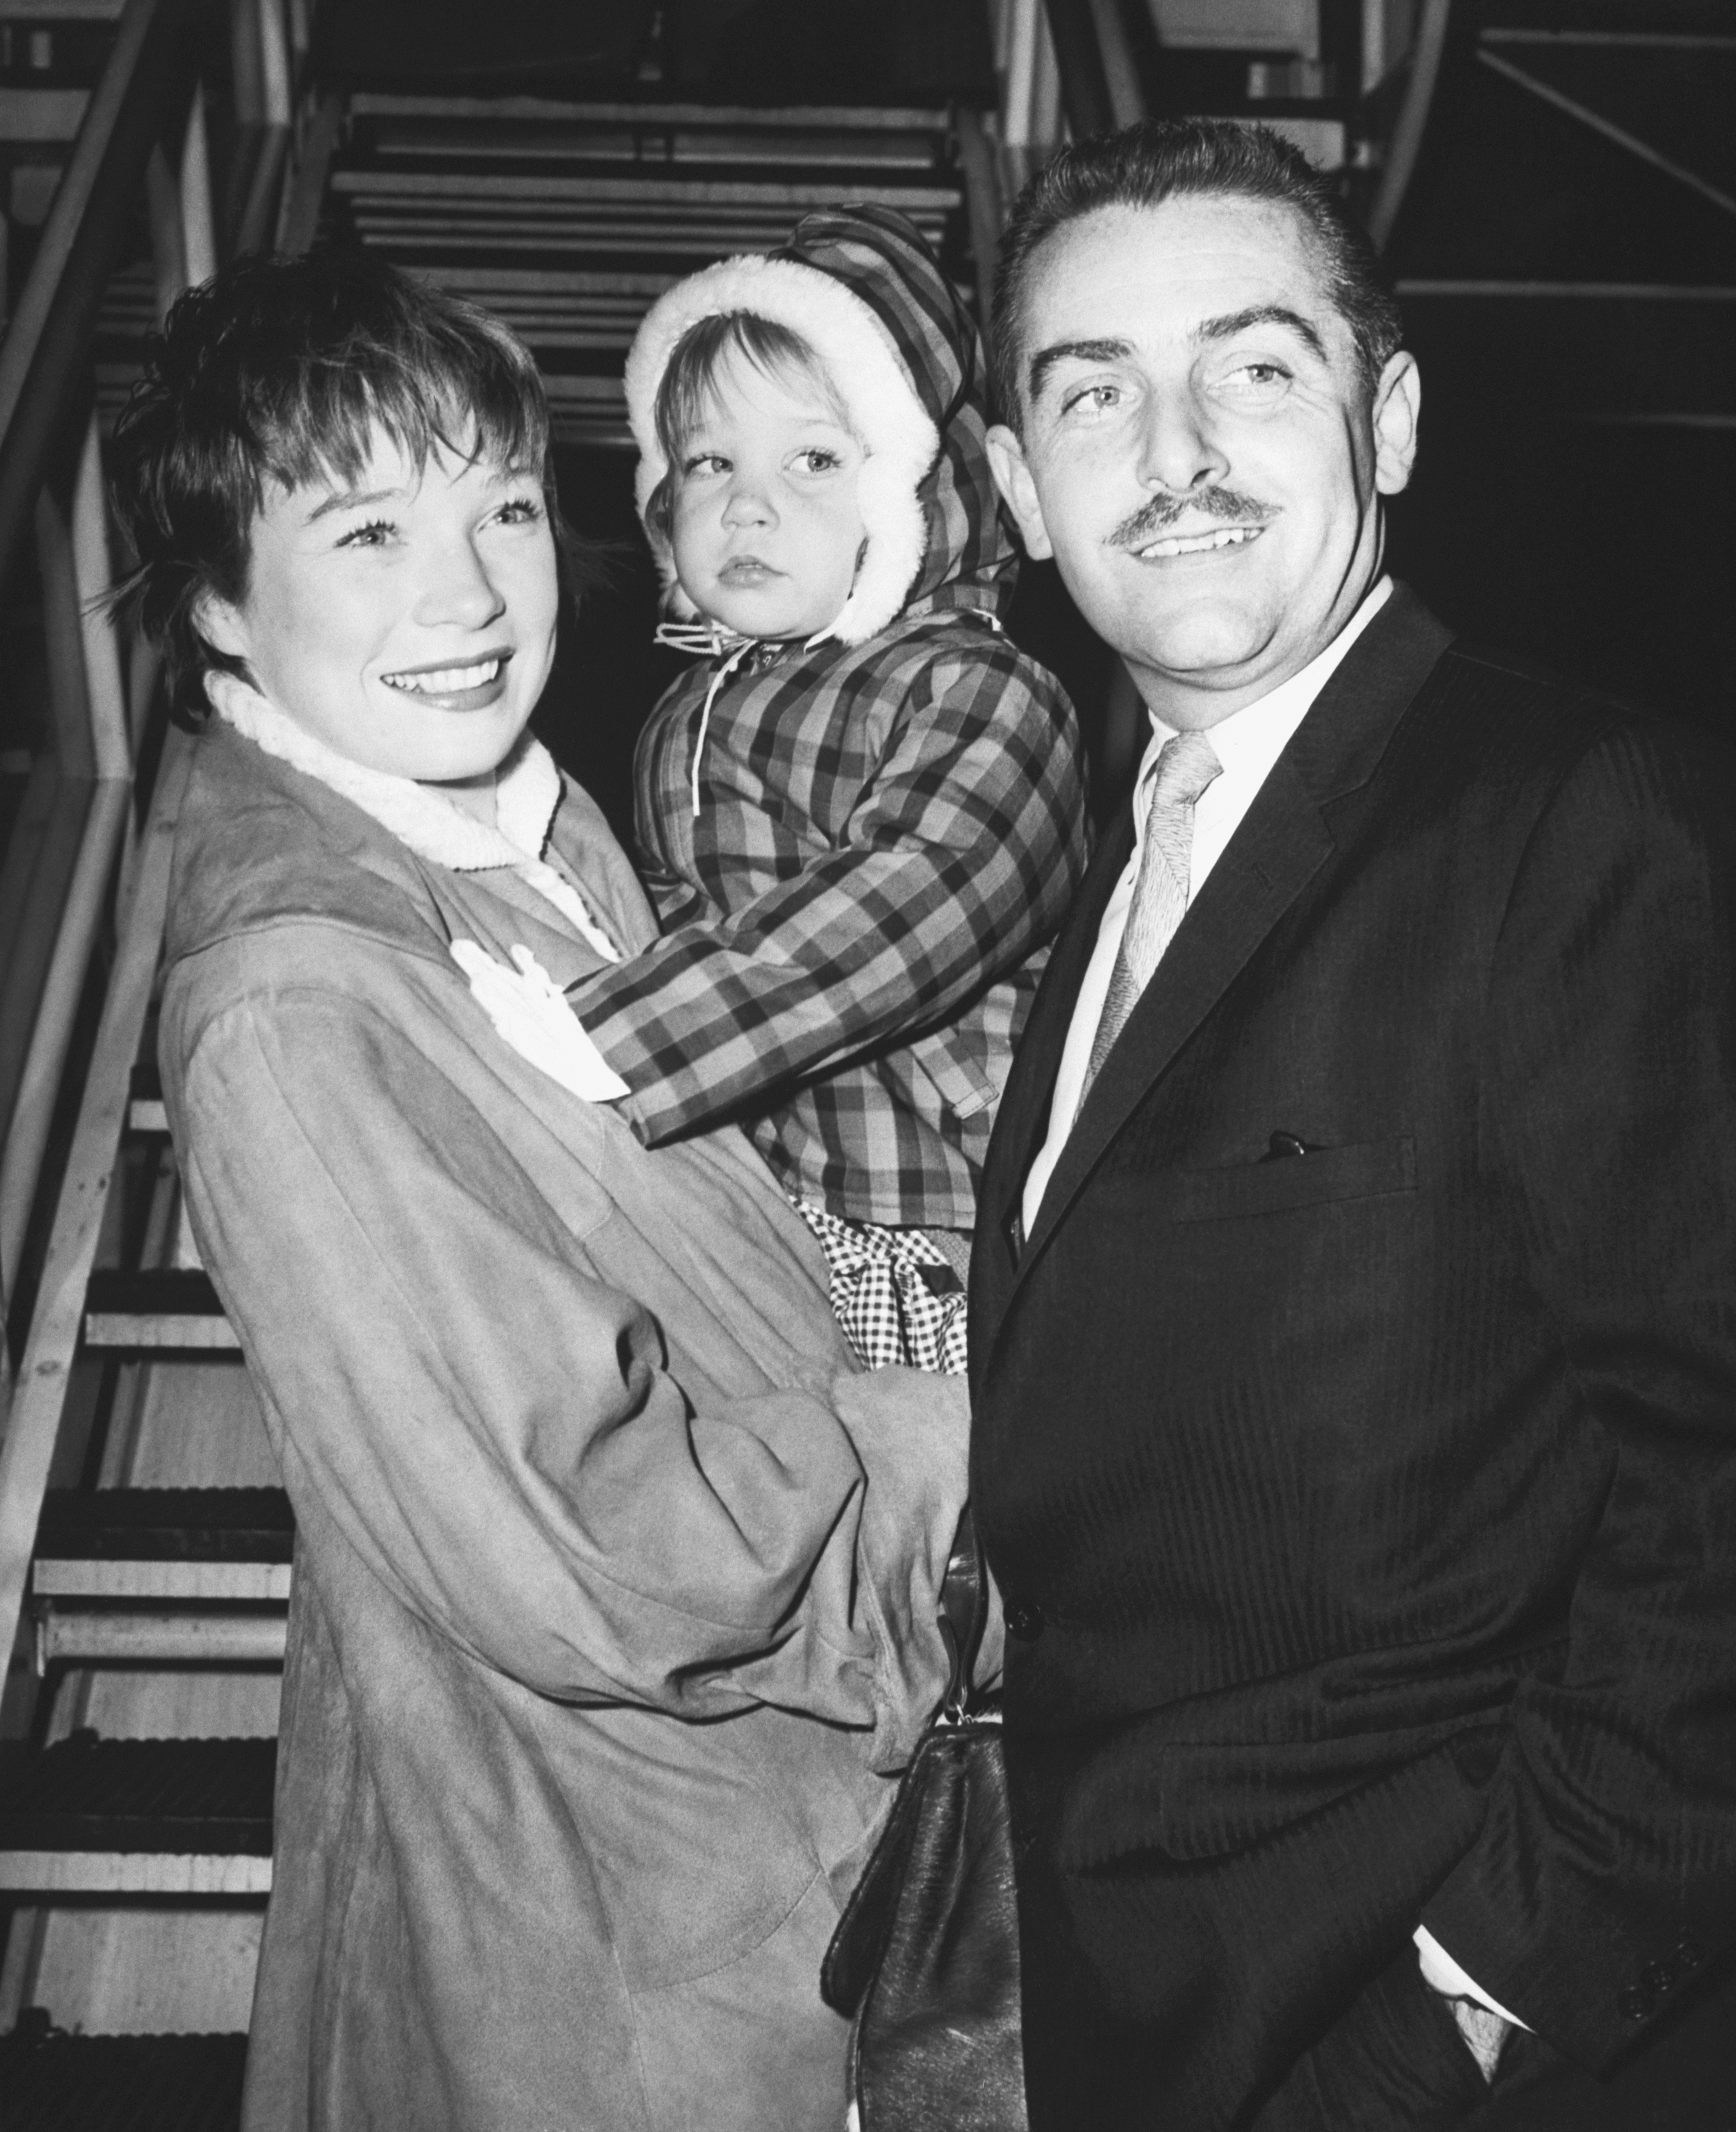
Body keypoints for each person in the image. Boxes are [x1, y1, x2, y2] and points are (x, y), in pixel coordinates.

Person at [112, 247, 972, 2132]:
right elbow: (597, 1543)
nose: (471, 592)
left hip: (766, 1861)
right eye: (363, 533)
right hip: (632, 1929)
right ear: (219, 611)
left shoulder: (521, 822)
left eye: (504, 503)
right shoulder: (296, 999)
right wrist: (956, 1448)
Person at [970, 116, 1736, 2129]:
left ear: (1386, 420)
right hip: (1153, 2009)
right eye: (1094, 394)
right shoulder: (1113, 869)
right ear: (1013, 493)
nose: (1178, 450)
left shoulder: (1575, 823)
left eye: (1255, 365)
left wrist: (1467, 2007)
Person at [460, 203, 1088, 1374]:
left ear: (913, 488)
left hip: (953, 1225)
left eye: (812, 460)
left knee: (938, 1520)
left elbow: (900, 914)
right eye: (708, 461)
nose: (747, 505)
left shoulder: (981, 694)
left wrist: (624, 1041)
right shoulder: (685, 720)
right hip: (784, 1213)